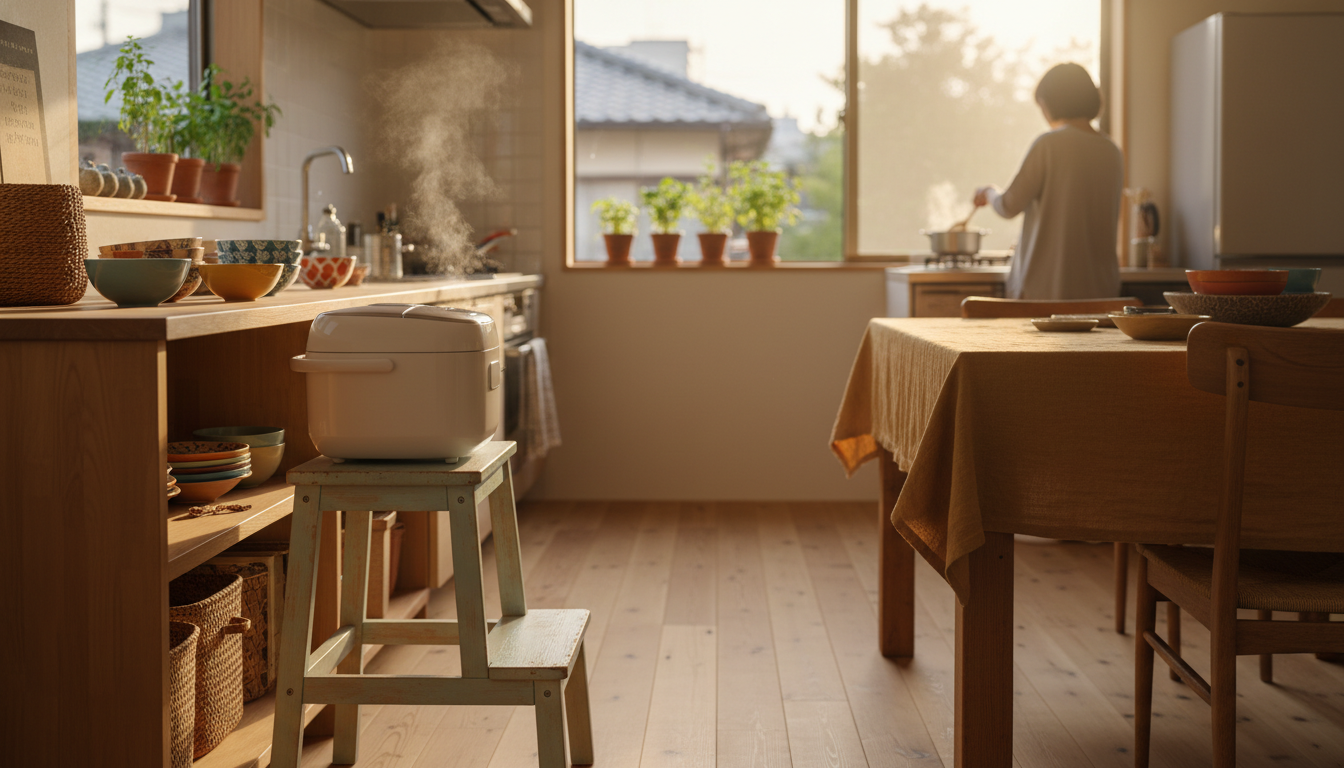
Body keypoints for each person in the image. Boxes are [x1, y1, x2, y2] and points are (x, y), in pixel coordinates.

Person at [973, 63, 1123, 300]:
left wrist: (989, 191)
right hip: (1100, 294)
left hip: (1047, 292)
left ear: (1052, 102)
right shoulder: (1112, 151)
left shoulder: (1049, 144)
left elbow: (1009, 205)